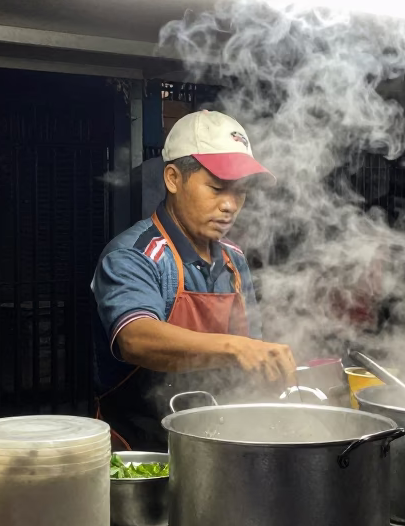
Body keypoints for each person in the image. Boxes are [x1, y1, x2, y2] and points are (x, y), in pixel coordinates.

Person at [91, 110, 297, 449]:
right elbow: (135, 338)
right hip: (144, 452)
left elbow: (252, 347)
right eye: (216, 188)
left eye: (241, 192)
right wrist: (235, 348)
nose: (230, 205)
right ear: (173, 178)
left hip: (217, 443)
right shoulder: (134, 255)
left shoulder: (234, 259)